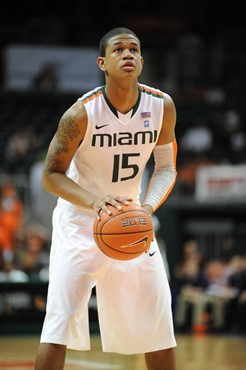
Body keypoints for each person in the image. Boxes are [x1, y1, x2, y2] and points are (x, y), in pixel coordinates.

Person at [34, 27, 178, 370]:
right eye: (118, 50)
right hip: (79, 222)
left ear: (142, 61)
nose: (127, 54)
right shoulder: (80, 114)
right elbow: (50, 175)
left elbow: (167, 168)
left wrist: (147, 207)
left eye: (134, 50)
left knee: (159, 324)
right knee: (58, 324)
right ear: (103, 62)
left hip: (131, 220)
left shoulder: (162, 106)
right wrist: (94, 202)